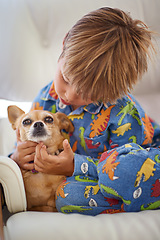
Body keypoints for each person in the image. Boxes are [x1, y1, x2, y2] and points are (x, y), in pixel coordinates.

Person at [10, 7, 160, 215]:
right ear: (64, 45)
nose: (69, 95)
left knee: (122, 170)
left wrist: (74, 166)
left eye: (86, 94)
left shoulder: (123, 112)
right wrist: (17, 157)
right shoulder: (45, 98)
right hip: (83, 180)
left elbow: (125, 164)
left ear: (113, 92)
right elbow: (24, 137)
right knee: (65, 195)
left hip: (145, 162)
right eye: (66, 79)